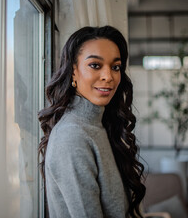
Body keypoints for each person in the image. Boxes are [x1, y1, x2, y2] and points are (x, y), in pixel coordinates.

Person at [38, 26, 146, 218]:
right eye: (95, 65)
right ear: (73, 71)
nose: (108, 76)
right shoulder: (72, 136)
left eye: (116, 67)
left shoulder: (99, 126)